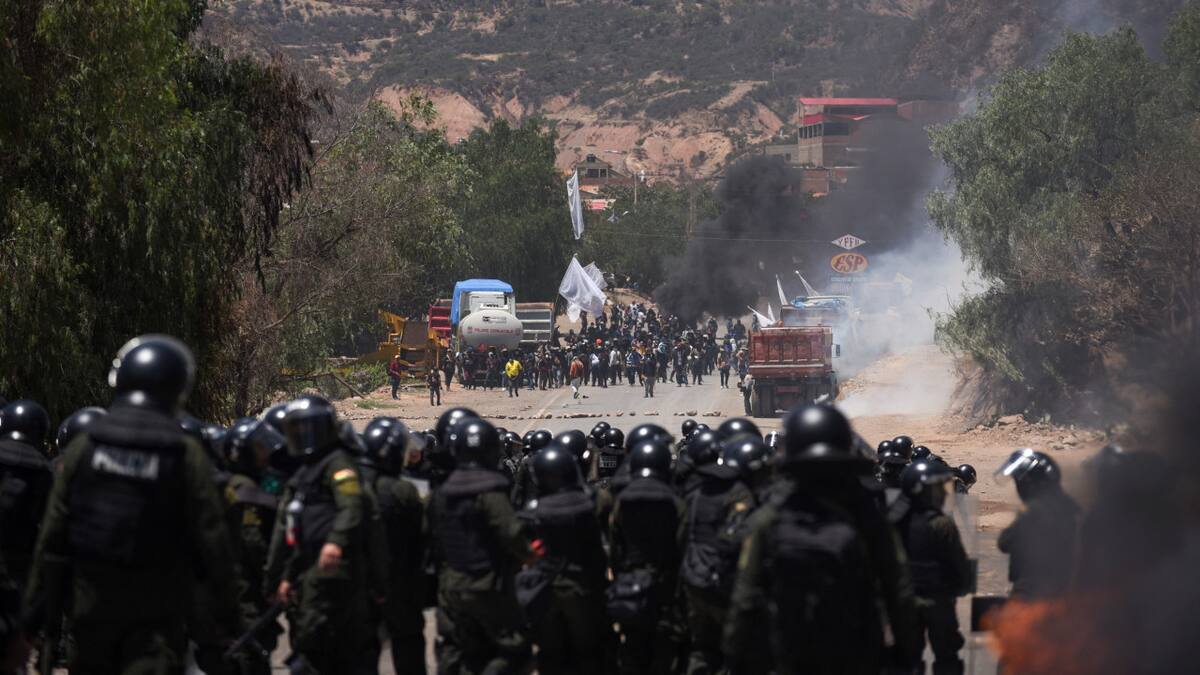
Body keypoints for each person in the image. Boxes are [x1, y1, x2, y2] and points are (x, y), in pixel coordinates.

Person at [25, 335, 242, 673]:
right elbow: (212, 543)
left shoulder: (85, 448)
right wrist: (229, 619)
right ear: (178, 388)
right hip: (155, 625)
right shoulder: (184, 454)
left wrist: (33, 624)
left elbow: (52, 543)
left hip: (89, 620)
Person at [724, 404, 920, 675]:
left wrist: (735, 659)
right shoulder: (867, 514)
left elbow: (745, 596)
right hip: (858, 655)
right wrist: (908, 655)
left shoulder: (771, 516)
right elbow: (898, 588)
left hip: (790, 656)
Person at [267, 395, 373, 674]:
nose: (303, 436)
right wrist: (287, 577)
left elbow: (352, 507)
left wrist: (335, 544)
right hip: (306, 570)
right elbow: (294, 531)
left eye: (309, 429)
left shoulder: (338, 465)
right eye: (297, 430)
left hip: (333, 575)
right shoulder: (304, 473)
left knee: (324, 642)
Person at [429, 417, 533, 673]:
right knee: (514, 650)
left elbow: (430, 538)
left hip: (451, 585)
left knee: (463, 649)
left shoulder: (440, 495)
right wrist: (532, 558)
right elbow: (511, 533)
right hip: (488, 585)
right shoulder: (490, 492)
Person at [518, 443, 611, 675]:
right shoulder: (593, 503)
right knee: (592, 651)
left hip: (546, 592)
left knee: (552, 655)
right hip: (586, 588)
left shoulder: (533, 513)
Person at [609, 439, 686, 675]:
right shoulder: (674, 501)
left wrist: (623, 577)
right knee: (665, 647)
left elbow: (615, 547)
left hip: (632, 583)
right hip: (666, 584)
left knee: (633, 645)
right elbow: (681, 543)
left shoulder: (622, 500)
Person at [890, 461, 972, 675]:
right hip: (938, 599)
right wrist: (961, 585)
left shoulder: (894, 521)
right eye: (935, 489)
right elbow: (958, 562)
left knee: (907, 657)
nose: (941, 494)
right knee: (947, 656)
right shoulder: (941, 524)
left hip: (906, 600)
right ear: (921, 491)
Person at [360, 418, 428, 675]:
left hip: (363, 585)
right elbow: (421, 537)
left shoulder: (353, 486)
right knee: (408, 644)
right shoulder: (404, 490)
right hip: (401, 582)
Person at [222, 418, 287, 675]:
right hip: (244, 594)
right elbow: (253, 544)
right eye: (259, 449)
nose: (265, 455)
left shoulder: (227, 482)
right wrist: (274, 579)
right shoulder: (245, 492)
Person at [995, 448, 1080, 598]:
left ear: (1031, 483)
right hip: (1062, 591)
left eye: (1020, 482)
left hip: (1031, 592)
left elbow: (1004, 542)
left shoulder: (1036, 512)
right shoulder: (1070, 508)